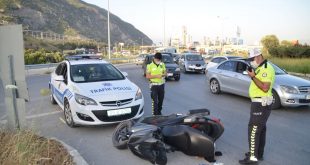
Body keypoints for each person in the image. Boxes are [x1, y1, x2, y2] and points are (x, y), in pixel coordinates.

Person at [239, 48, 275, 165]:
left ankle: (253, 158)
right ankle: (257, 154)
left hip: (260, 104)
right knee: (261, 130)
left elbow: (265, 87)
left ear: (258, 56)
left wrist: (253, 77)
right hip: (260, 103)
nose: (251, 62)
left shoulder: (266, 68)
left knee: (253, 130)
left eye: (252, 59)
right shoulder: (260, 68)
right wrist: (254, 74)